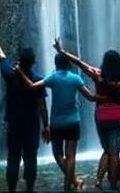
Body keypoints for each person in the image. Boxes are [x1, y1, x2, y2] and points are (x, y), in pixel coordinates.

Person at [17, 52, 103, 191]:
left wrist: (21, 72)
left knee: (57, 155)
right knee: (71, 156)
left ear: (56, 64)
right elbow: (90, 97)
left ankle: (73, 182)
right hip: (73, 122)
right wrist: (105, 97)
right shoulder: (76, 79)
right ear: (68, 64)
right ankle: (69, 185)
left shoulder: (53, 78)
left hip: (57, 123)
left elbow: (32, 86)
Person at [0, 23, 49, 193]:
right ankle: (30, 187)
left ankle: (11, 188)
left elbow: (0, 54)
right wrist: (46, 126)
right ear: (33, 63)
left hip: (14, 124)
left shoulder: (10, 75)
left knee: (13, 157)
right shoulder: (38, 80)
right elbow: (42, 106)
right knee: (30, 157)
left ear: (19, 60)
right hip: (32, 125)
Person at [53, 40, 120, 189]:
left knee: (107, 150)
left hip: (101, 117)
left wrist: (62, 52)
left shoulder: (98, 76)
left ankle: (99, 180)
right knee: (114, 153)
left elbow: (80, 64)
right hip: (117, 116)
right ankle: (113, 183)